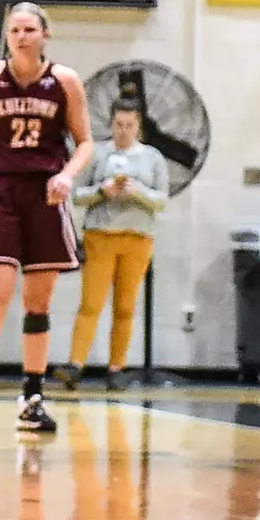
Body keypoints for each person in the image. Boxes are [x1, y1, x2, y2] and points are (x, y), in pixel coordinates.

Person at [0, 1, 93, 434]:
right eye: (15, 31)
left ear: (46, 34)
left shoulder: (64, 81)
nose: (22, 37)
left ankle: (32, 397)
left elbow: (85, 142)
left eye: (29, 30)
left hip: (46, 192)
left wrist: (67, 175)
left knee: (38, 302)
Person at [55, 98, 166, 392]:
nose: (123, 131)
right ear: (111, 124)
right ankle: (75, 365)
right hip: (100, 235)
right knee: (90, 303)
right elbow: (78, 195)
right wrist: (102, 191)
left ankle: (117, 367)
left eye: (129, 125)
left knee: (125, 306)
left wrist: (138, 192)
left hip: (138, 238)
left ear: (139, 126)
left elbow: (161, 200)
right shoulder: (98, 153)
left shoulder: (153, 158)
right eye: (118, 125)